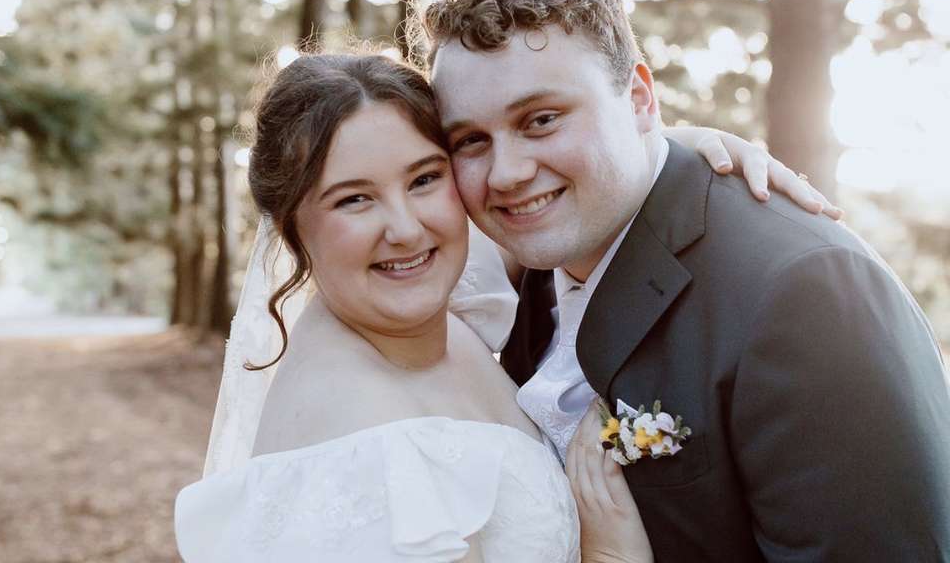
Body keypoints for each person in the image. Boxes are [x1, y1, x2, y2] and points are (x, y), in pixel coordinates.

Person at [173, 51, 833, 562]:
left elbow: (576, 185)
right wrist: (609, 554)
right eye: (354, 199)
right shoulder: (362, 452)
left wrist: (672, 145)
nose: (406, 228)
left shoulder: (436, 302)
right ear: (293, 226)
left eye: (425, 178)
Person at [419, 0, 950, 562]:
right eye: (471, 141)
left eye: (541, 120)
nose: (506, 174)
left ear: (641, 99)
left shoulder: (806, 292)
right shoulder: (534, 268)